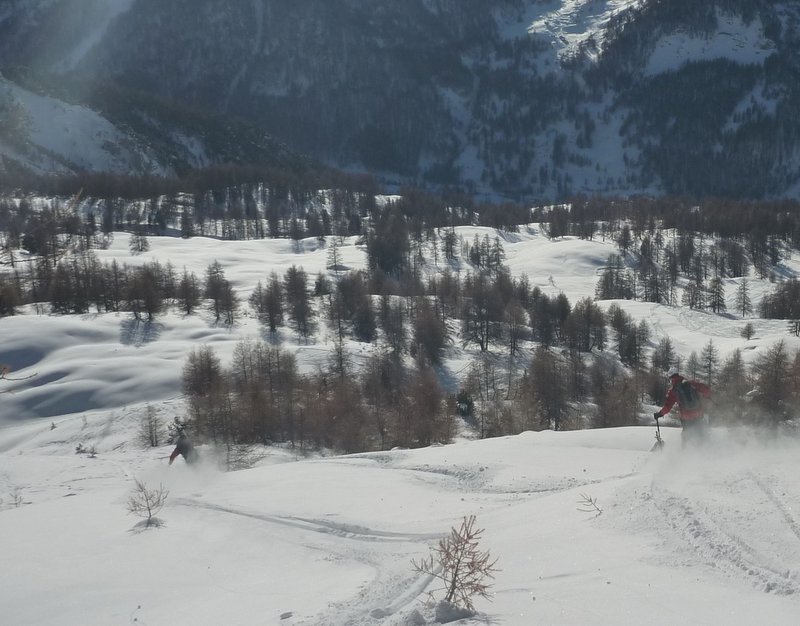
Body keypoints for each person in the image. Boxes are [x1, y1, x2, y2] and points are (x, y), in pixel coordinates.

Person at [654, 368, 712, 445]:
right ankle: (707, 448)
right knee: (701, 434)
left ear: (671, 378)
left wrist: (659, 414)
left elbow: (667, 407)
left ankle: (686, 450)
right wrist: (706, 395)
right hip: (698, 414)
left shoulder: (673, 391)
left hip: (686, 418)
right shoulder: (691, 383)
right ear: (678, 374)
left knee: (687, 437)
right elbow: (706, 390)